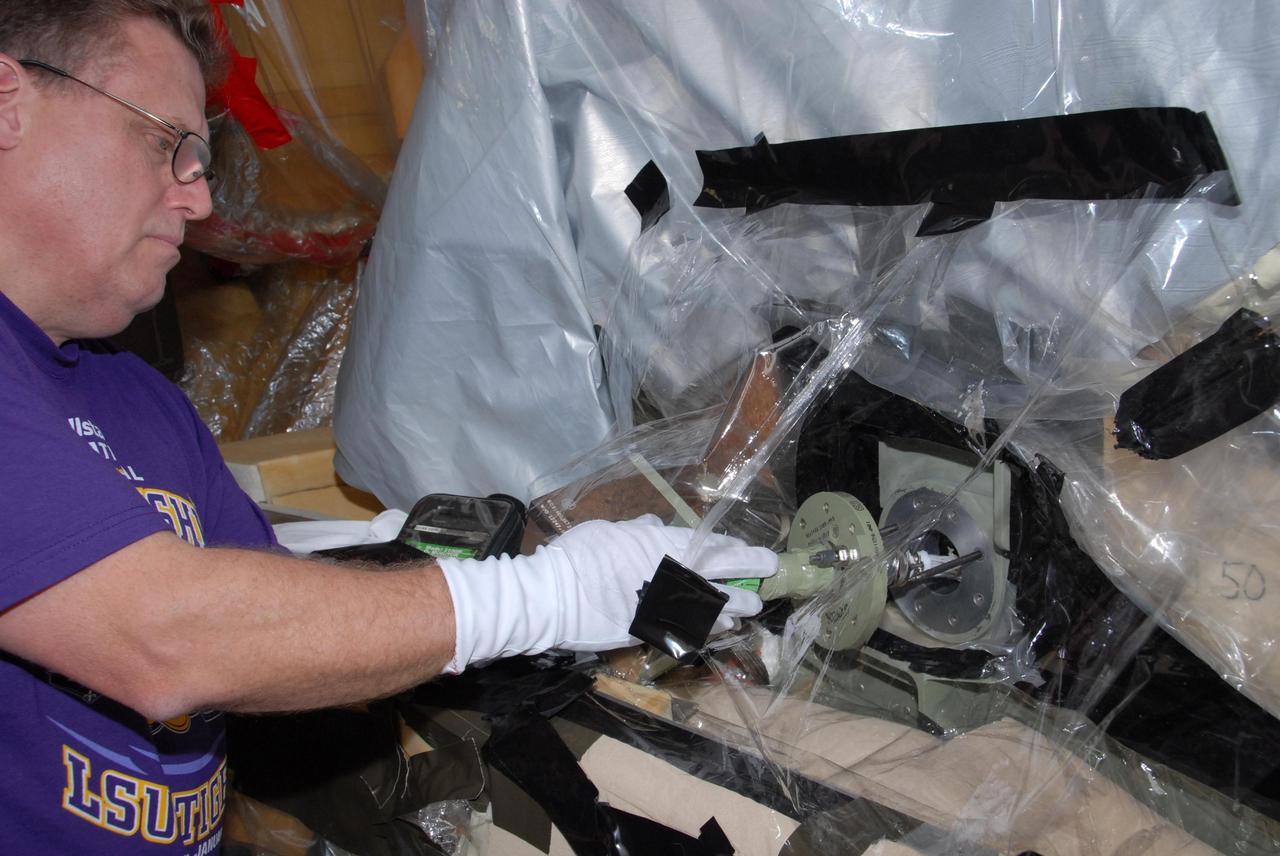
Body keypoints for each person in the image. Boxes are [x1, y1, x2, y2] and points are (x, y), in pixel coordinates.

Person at [0, 2, 777, 852]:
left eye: (202, 157)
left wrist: (427, 554)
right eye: (164, 142)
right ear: (9, 102)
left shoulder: (138, 401)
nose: (200, 196)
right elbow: (167, 641)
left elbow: (270, 626)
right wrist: (553, 595)